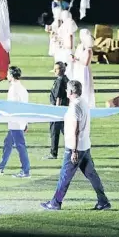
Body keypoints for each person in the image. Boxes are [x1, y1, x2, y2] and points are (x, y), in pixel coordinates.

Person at [41, 80, 111, 211]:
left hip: (76, 148)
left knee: (65, 176)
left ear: (71, 92)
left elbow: (75, 130)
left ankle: (55, 203)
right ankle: (103, 201)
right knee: (92, 175)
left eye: (67, 90)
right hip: (85, 146)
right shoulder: (83, 102)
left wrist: (73, 151)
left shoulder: (74, 107)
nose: (66, 92)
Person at [0, 66, 31, 178]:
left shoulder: (14, 88)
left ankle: (25, 171)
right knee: (8, 143)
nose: (6, 75)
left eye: (8, 73)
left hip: (15, 122)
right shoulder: (22, 88)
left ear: (11, 75)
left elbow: (12, 106)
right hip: (18, 121)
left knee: (20, 146)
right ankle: (0, 167)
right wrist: (26, 122)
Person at [45, 61, 70, 159]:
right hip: (64, 109)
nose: (55, 71)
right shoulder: (65, 79)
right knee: (66, 131)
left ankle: (53, 153)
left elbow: (59, 97)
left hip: (58, 109)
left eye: (57, 69)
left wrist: (56, 111)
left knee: (55, 131)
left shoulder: (60, 81)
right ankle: (73, 149)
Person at [73, 29, 96, 108]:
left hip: (84, 71)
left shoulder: (88, 50)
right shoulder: (81, 47)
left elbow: (86, 63)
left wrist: (77, 59)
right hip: (79, 69)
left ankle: (85, 103)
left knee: (85, 86)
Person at [56, 10, 77, 79]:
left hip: (65, 47)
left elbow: (68, 35)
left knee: (67, 65)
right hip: (66, 48)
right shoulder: (69, 23)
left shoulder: (66, 24)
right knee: (68, 65)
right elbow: (69, 35)